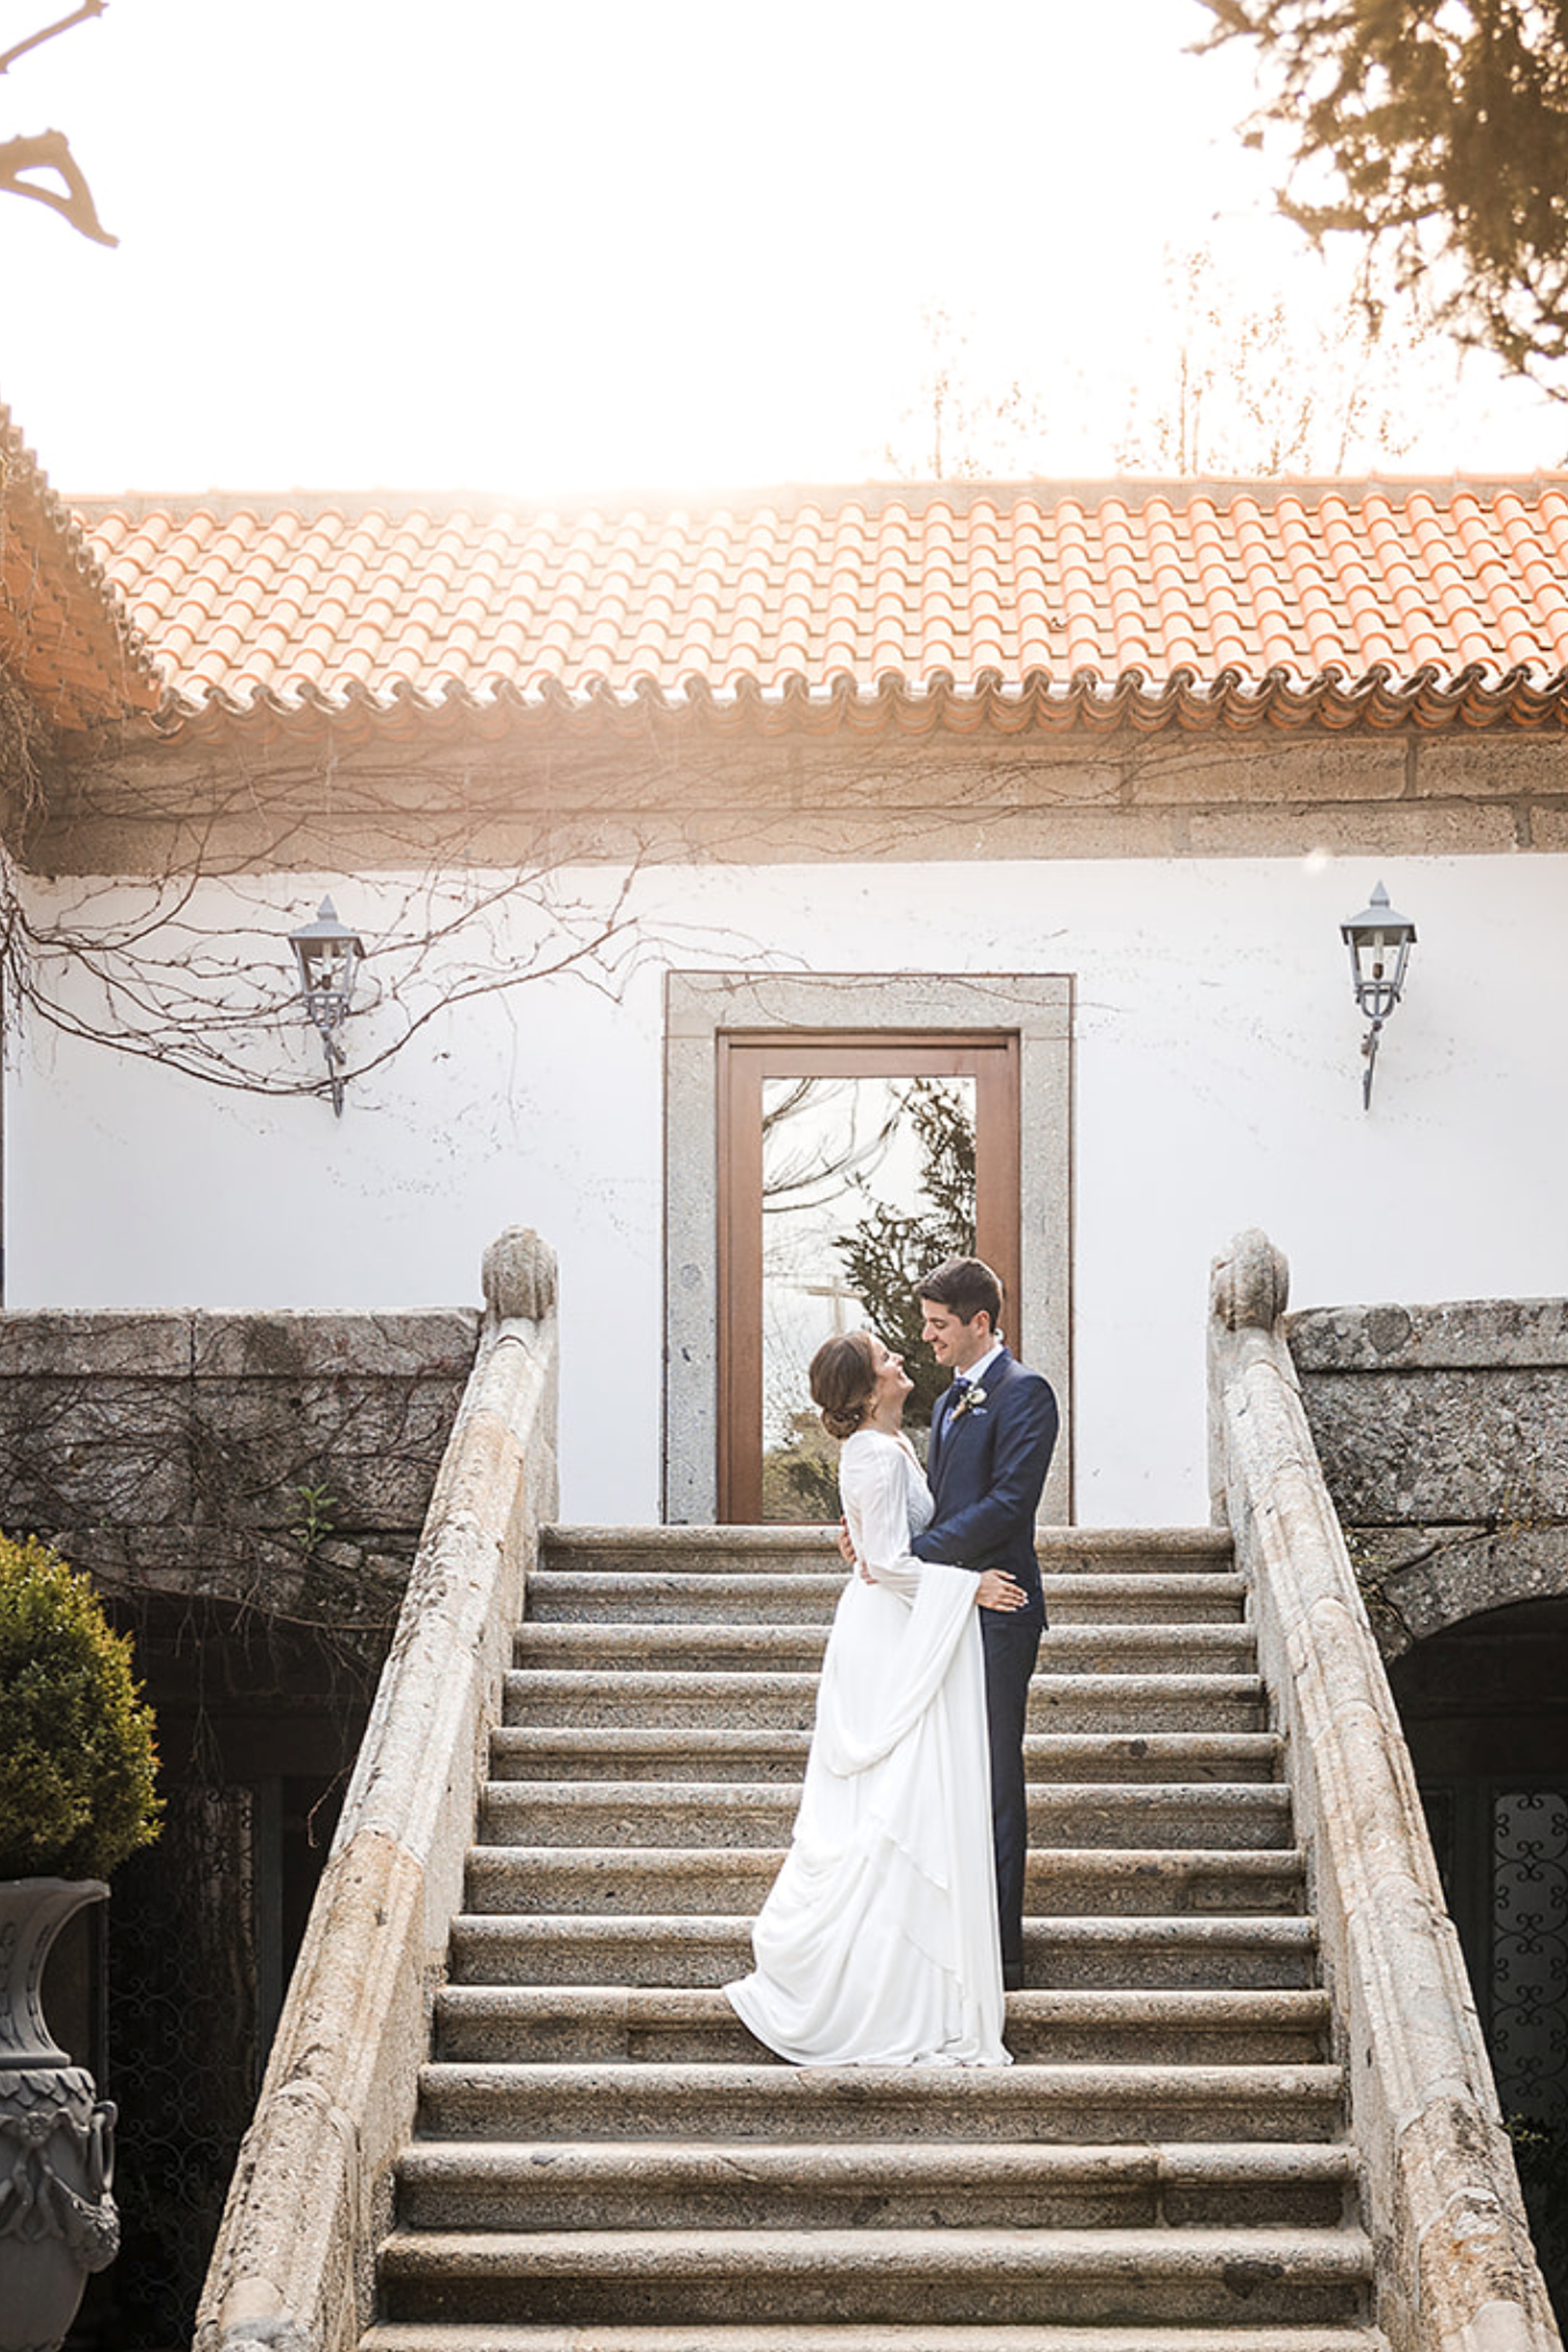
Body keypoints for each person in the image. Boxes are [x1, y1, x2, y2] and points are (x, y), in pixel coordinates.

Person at [725, 1329, 1028, 2067]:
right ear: (866, 1392)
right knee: (892, 1798)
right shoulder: (874, 1454)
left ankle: (897, 1966)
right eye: (885, 1360)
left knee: (899, 1798)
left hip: (892, 1620)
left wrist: (862, 1540)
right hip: (887, 1631)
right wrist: (970, 1587)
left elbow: (881, 1544)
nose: (900, 1362)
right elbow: (890, 1564)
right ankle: (877, 1980)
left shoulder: (888, 1447)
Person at [908, 1257, 1059, 1992]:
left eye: (939, 1324)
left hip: (1001, 1611)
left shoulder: (1025, 1393)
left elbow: (1008, 1505)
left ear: (980, 1322)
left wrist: (912, 1555)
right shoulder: (947, 1401)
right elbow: (943, 1502)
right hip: (954, 1601)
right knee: (950, 1775)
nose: (927, 1337)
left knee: (995, 1775)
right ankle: (953, 1933)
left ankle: (1002, 1951)